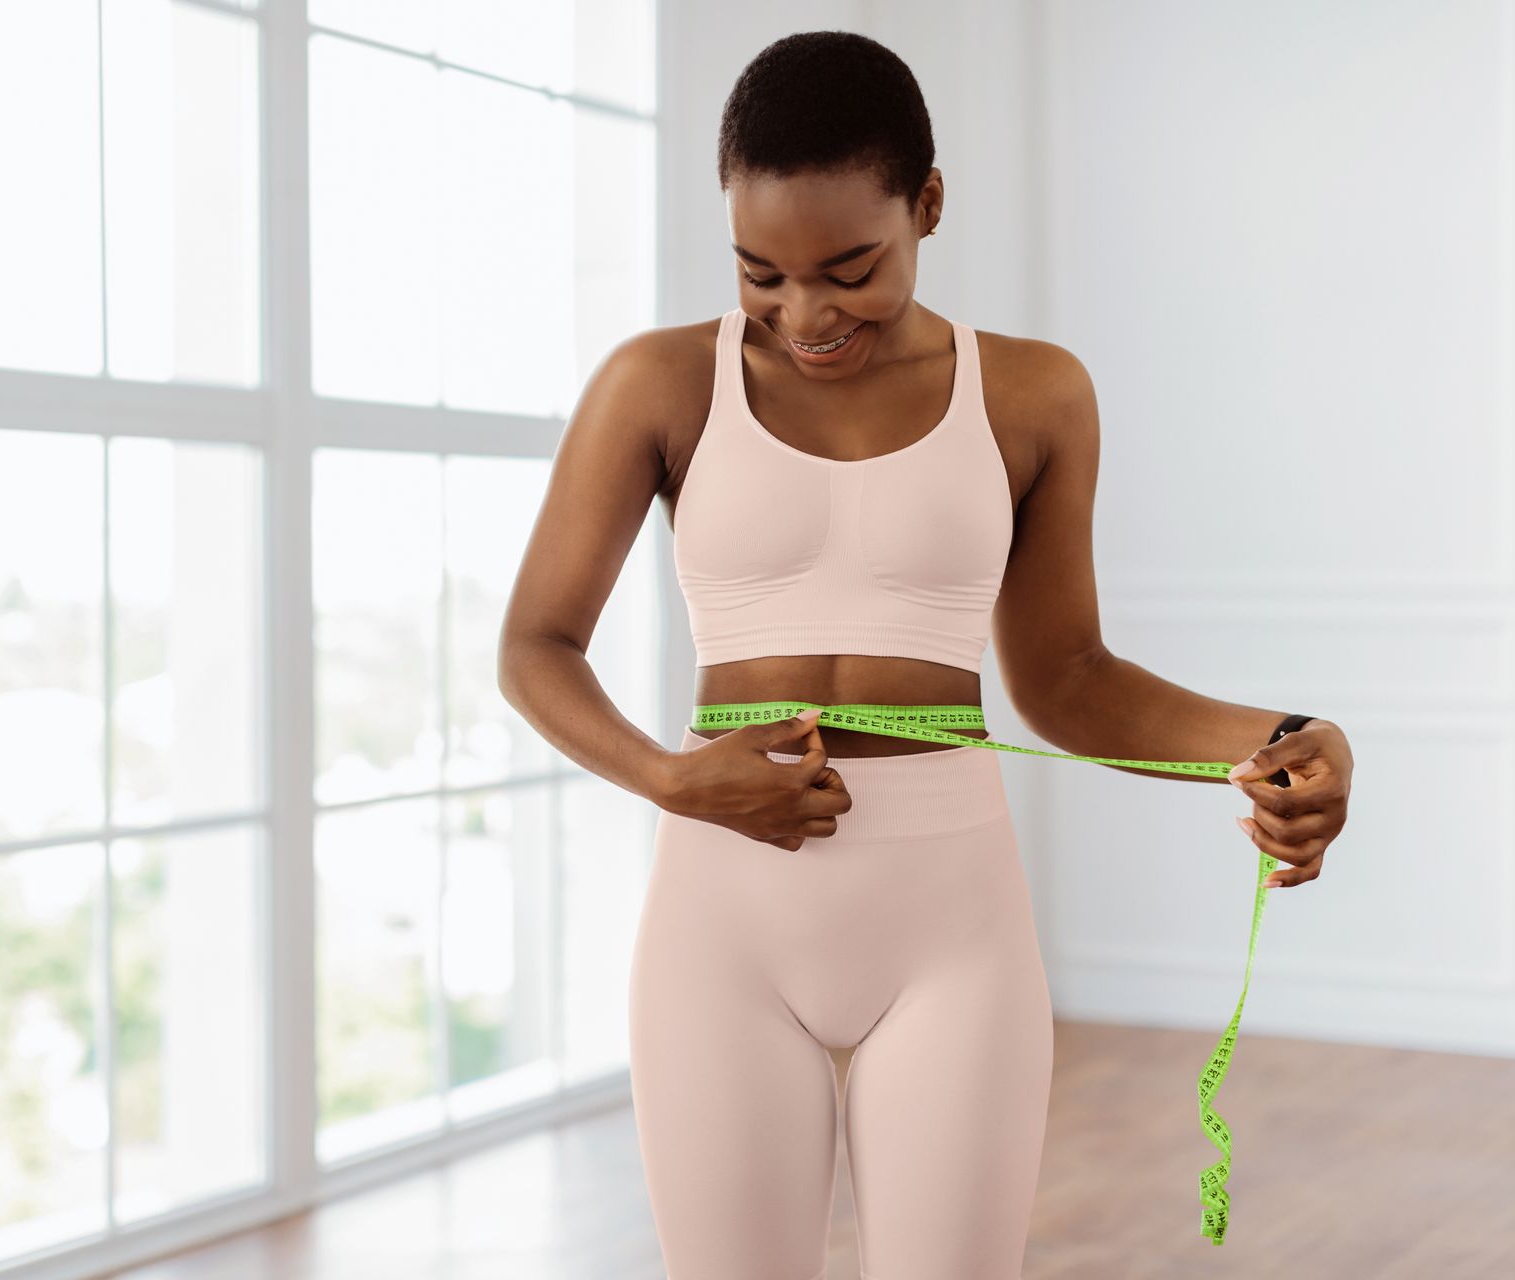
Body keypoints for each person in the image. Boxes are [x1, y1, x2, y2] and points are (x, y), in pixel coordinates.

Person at [497, 29, 1355, 1280]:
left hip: (952, 926)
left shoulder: (1034, 394)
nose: (805, 315)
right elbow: (535, 643)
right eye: (760, 272)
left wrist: (1280, 740)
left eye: (850, 270)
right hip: (723, 922)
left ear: (929, 205)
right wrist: (672, 779)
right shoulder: (659, 382)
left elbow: (1067, 679)